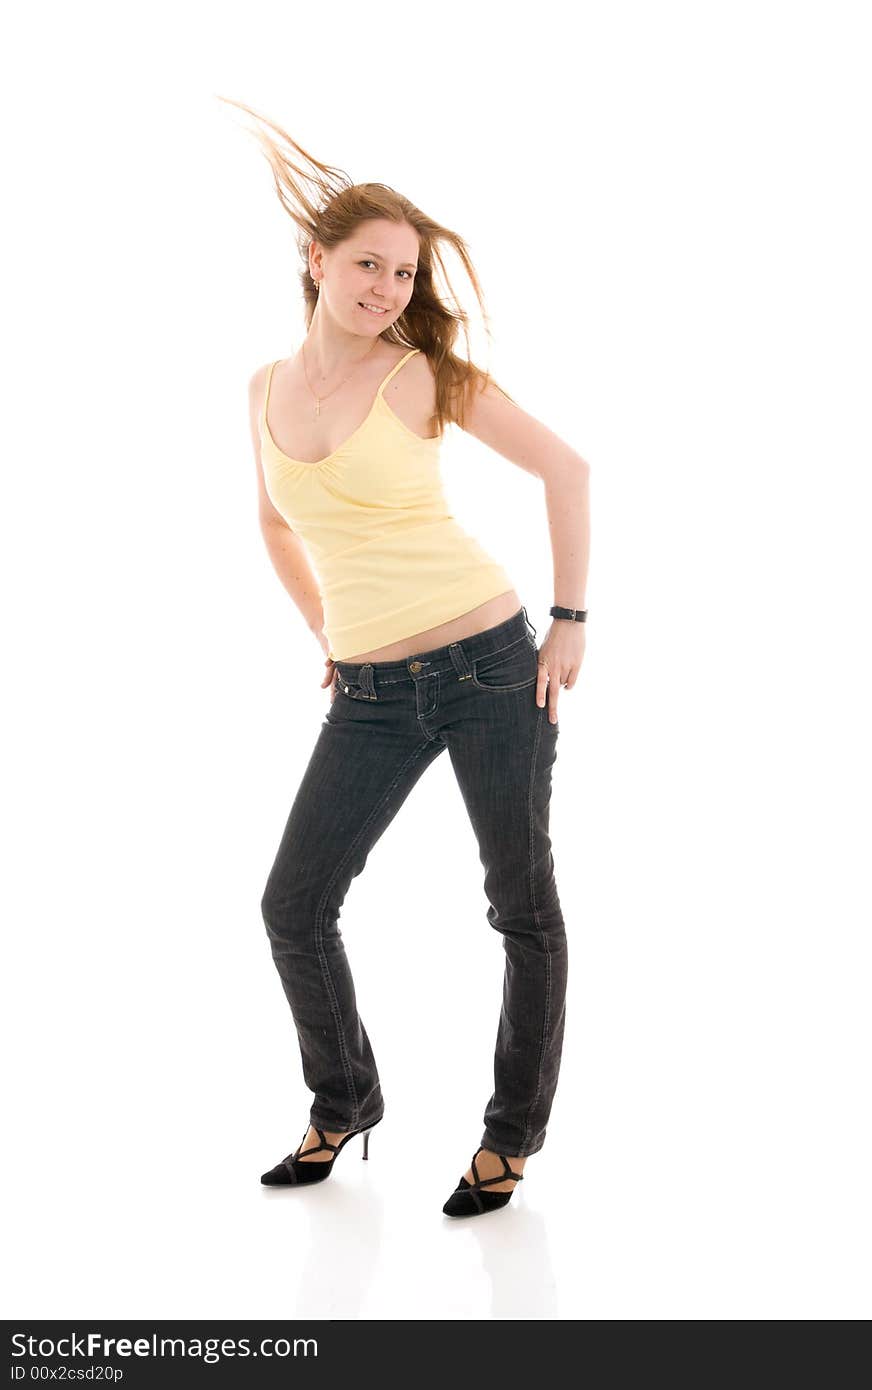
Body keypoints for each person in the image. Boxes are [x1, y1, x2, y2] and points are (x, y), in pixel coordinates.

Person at [228, 98, 591, 1217]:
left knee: (519, 905)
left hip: (490, 664)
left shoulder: (424, 372)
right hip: (371, 692)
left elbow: (566, 469)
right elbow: (277, 523)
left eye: (403, 273)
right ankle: (343, 1104)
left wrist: (568, 620)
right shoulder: (262, 391)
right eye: (369, 265)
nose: (387, 288)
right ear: (316, 258)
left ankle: (508, 1140)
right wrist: (325, 634)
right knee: (294, 903)